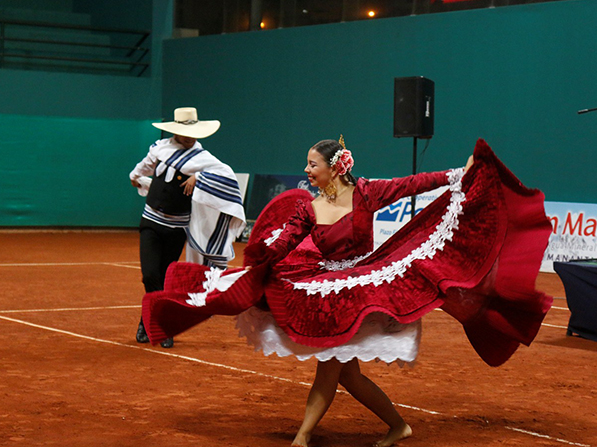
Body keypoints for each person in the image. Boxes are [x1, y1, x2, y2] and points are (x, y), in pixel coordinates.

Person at [141, 137, 552, 445]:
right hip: (326, 288)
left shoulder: (367, 193)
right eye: (306, 164)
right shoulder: (308, 207)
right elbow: (283, 243)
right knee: (346, 373)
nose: (306, 170)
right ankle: (397, 425)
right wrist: (260, 253)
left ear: (335, 168)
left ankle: (305, 437)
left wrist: (458, 176)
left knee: (332, 366)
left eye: (312, 164)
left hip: (361, 288)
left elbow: (414, 183)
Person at [129, 107, 245, 348]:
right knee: (150, 275)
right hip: (151, 221)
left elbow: (227, 176)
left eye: (193, 132)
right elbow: (140, 170)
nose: (190, 137)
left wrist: (200, 178)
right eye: (185, 132)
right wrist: (137, 177)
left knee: (165, 277)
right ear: (175, 132)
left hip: (176, 227)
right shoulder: (160, 149)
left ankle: (157, 325)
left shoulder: (204, 159)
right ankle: (154, 321)